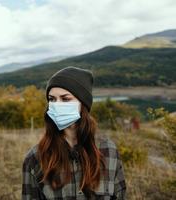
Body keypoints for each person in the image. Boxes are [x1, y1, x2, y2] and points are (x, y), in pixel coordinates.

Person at [22, 66, 126, 200]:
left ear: (83, 104)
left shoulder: (109, 151)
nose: (56, 105)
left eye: (65, 99)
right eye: (52, 99)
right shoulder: (35, 158)